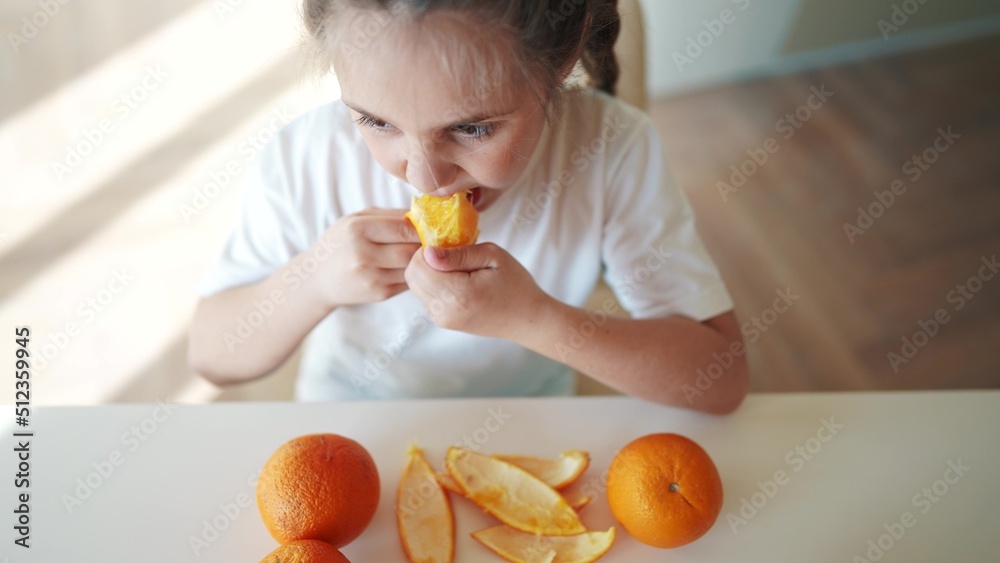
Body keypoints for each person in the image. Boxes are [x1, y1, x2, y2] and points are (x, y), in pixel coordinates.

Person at [188, 0, 748, 414]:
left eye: (473, 128)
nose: (423, 178)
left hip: (530, 419)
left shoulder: (611, 150)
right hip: (350, 421)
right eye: (376, 121)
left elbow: (720, 379)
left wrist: (534, 318)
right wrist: (314, 279)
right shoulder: (306, 158)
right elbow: (212, 354)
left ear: (562, 60)